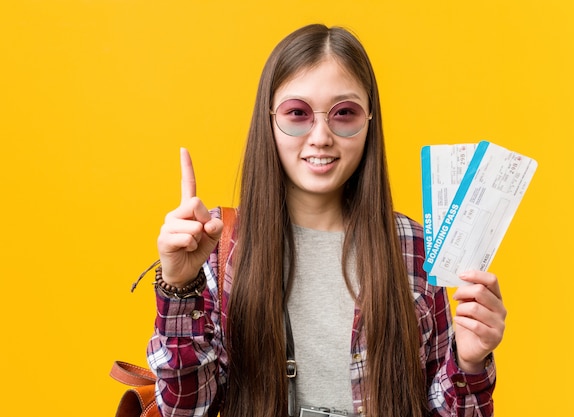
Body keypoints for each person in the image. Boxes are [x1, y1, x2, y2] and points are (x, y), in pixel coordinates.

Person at [147, 24, 506, 417]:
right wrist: (180, 288)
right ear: (269, 120)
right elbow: (185, 410)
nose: (320, 136)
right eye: (297, 113)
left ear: (369, 121)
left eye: (344, 113)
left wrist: (469, 362)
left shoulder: (416, 248)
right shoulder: (217, 245)